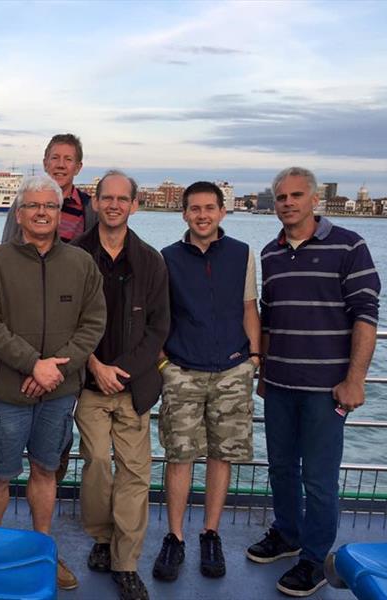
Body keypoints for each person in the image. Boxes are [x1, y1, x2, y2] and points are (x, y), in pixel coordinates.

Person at [246, 167, 380, 597]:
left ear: (315, 200)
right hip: (280, 383)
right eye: (281, 196)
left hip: (327, 389)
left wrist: (354, 379)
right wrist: (264, 372)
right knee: (281, 468)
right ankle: (287, 534)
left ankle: (314, 558)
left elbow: (365, 316)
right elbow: (269, 317)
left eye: (296, 195)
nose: (287, 202)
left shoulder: (349, 246)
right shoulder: (270, 252)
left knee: (320, 478)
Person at [0, 175, 106, 591]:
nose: (42, 212)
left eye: (50, 205)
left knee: (46, 472)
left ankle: (41, 551)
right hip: (6, 395)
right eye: (33, 206)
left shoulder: (82, 264)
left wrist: (55, 371)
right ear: (19, 213)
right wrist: (33, 365)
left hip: (58, 394)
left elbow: (93, 323)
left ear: (60, 210)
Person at [153, 182, 261, 583]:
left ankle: (210, 533)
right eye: (194, 209)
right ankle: (175, 535)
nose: (202, 215)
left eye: (209, 208)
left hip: (233, 370)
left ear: (222, 212)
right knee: (179, 457)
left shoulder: (242, 254)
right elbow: (158, 317)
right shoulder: (167, 259)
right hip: (182, 370)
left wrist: (254, 359)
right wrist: (164, 364)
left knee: (221, 455)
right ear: (184, 214)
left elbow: (250, 307)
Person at [73, 170, 169, 600]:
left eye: (121, 199)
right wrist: (95, 366)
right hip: (89, 383)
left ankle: (125, 561)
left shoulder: (151, 261)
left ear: (135, 205)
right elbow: (65, 323)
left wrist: (122, 371)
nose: (113, 205)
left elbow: (159, 326)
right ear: (95, 203)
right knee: (95, 462)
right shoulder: (74, 255)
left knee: (134, 474)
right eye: (105, 198)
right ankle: (100, 535)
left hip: (133, 387)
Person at [1, 133, 97, 243]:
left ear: (78, 168)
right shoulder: (24, 202)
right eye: (55, 158)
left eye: (68, 159)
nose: (61, 165)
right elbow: (7, 247)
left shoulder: (89, 209)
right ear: (45, 164)